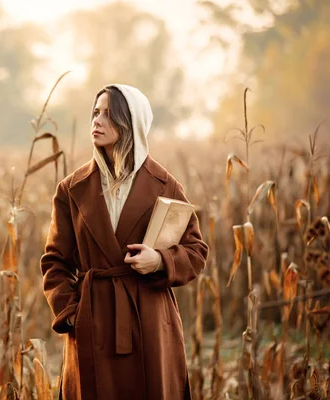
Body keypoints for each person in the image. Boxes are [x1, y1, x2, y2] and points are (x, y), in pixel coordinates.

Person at [40, 84, 209, 400]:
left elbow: (196, 250)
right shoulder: (71, 189)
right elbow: (55, 260)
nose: (97, 121)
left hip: (149, 318)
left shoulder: (165, 184)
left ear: (132, 123)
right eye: (95, 112)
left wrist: (159, 261)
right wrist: (71, 310)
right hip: (94, 315)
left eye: (108, 114)